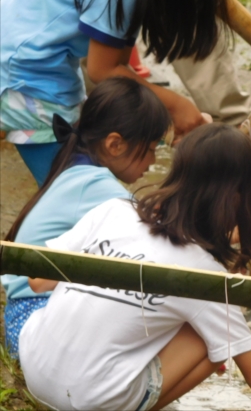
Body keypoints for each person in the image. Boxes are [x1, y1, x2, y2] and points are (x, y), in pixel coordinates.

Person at [18, 124, 251, 411]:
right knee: (217, 336)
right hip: (92, 402)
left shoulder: (115, 210)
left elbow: (37, 281)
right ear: (240, 199)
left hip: (35, 372)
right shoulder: (203, 272)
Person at [0, 0, 240, 186]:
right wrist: (177, 105)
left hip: (45, 68)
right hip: (21, 73)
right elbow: (102, 70)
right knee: (74, 191)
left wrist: (167, 118)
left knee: (85, 173)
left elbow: (119, 67)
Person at [1, 77, 171, 360]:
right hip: (34, 320)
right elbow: (154, 232)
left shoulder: (76, 168)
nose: (153, 161)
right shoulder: (94, 184)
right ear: (115, 144)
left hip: (22, 314)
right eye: (151, 149)